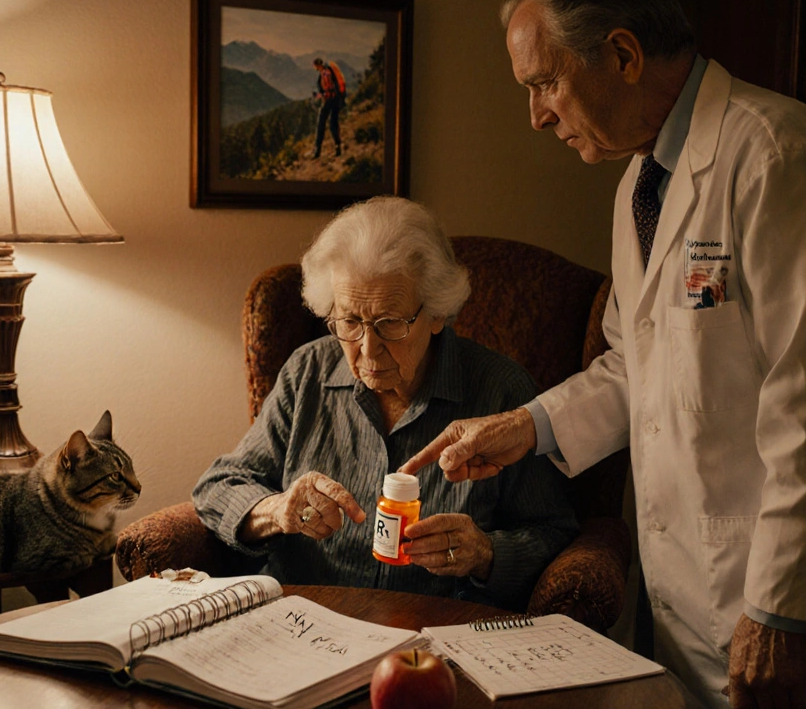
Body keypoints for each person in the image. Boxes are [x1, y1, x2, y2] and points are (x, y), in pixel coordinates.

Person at [398, 0, 806, 707]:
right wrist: (526, 428)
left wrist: (781, 606)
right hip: (697, 588)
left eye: (544, 83)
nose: (536, 115)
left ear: (622, 55)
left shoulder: (779, 158)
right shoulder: (638, 188)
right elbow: (637, 363)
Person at [192, 196, 577, 611]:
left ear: (436, 315)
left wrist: (484, 554)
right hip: (304, 622)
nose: (368, 350)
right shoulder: (307, 372)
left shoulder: (502, 391)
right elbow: (217, 487)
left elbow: (553, 532)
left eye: (390, 323)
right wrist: (277, 510)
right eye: (350, 322)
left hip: (433, 630)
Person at [312, 57, 345, 158]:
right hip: (335, 100)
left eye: (315, 66)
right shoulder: (326, 71)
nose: (315, 68)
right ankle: (337, 147)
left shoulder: (325, 73)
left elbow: (327, 89)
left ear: (317, 65)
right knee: (332, 124)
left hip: (330, 100)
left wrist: (321, 95)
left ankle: (317, 150)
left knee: (321, 123)